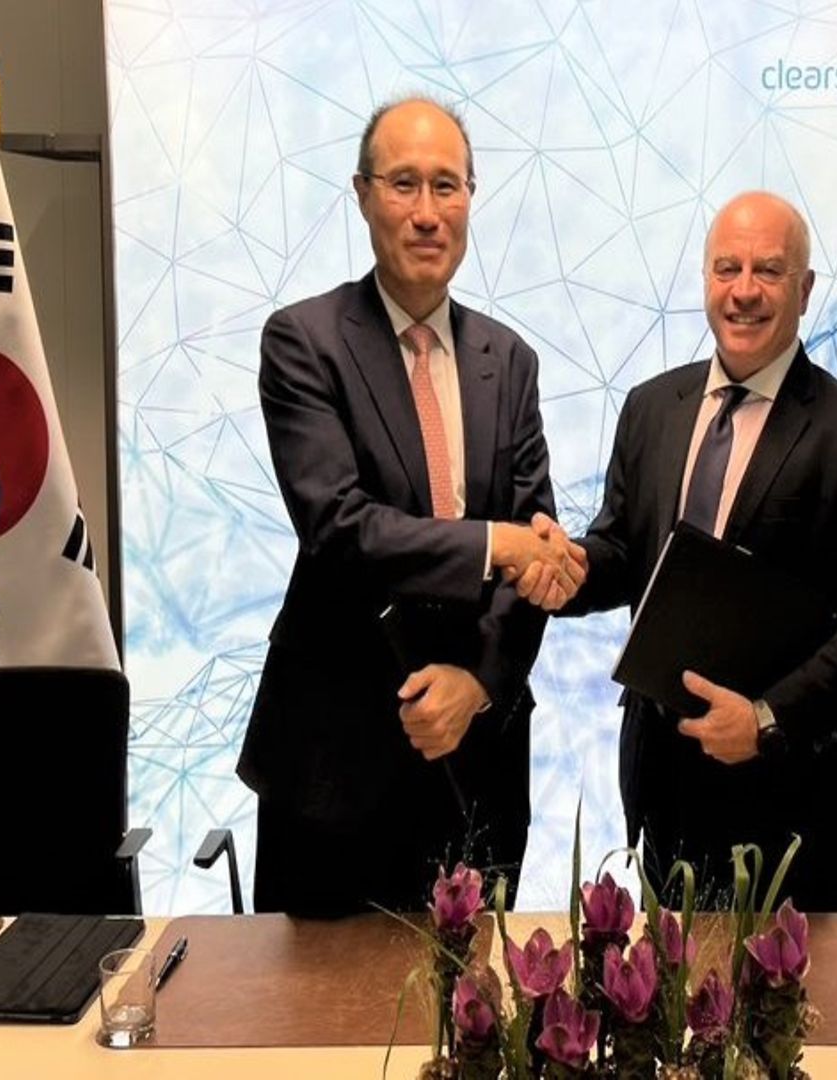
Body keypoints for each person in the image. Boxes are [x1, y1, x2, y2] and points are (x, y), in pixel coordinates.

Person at [238, 96, 585, 916]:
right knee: (312, 996)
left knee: (479, 991)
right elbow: (339, 527)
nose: (427, 213)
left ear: (470, 199)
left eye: (446, 186)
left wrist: (481, 682)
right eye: (403, 184)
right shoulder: (304, 341)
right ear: (363, 195)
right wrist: (498, 545)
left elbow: (534, 552)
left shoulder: (511, 360)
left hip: (478, 763)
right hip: (335, 766)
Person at [551, 191, 837, 910]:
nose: (744, 290)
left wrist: (766, 720)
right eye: (727, 269)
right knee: (662, 983)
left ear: (804, 290)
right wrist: (568, 569)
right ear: (705, 280)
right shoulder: (652, 408)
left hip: (791, 810)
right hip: (664, 789)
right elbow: (625, 548)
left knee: (789, 988)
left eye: (768, 271)